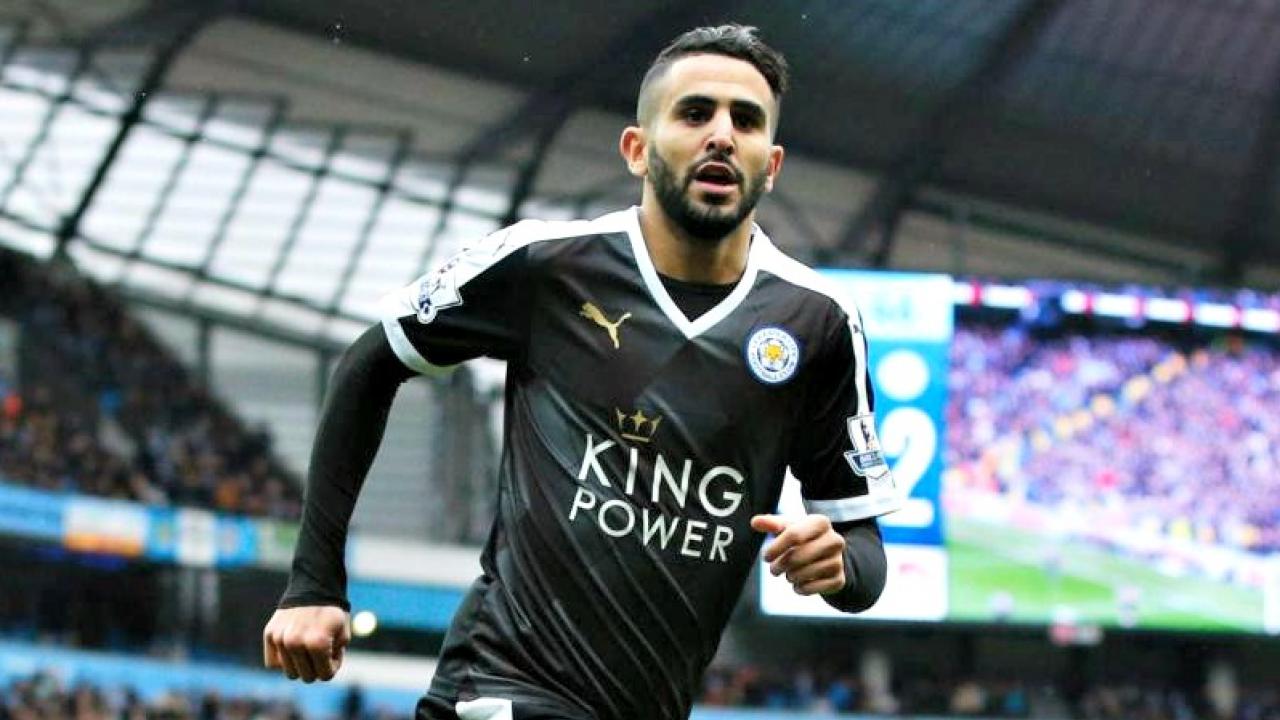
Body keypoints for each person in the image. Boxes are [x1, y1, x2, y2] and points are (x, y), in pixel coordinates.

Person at [262, 24, 899, 720]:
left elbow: (867, 556)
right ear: (637, 149)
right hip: (503, 691)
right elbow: (369, 363)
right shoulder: (546, 264)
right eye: (695, 113)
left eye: (745, 121)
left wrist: (838, 564)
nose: (722, 134)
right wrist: (313, 582)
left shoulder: (819, 322)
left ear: (770, 164)